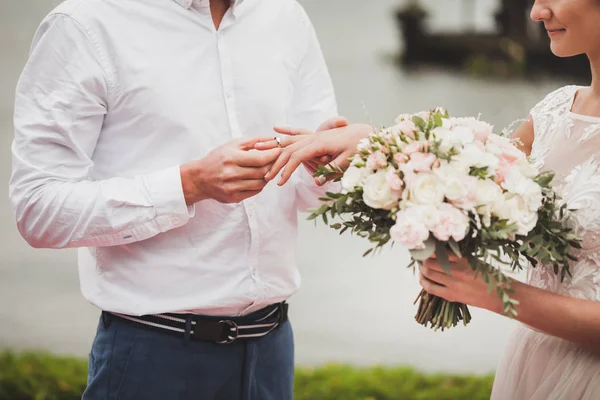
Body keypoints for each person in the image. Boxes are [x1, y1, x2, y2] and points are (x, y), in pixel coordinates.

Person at [8, 0, 345, 398]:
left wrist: (329, 166)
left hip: (272, 350)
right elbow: (38, 209)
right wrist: (189, 184)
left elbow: (312, 192)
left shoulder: (285, 14)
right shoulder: (85, 24)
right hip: (152, 356)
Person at [265, 0, 600, 398]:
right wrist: (376, 153)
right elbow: (468, 172)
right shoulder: (554, 112)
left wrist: (497, 292)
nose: (536, 13)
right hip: (536, 361)